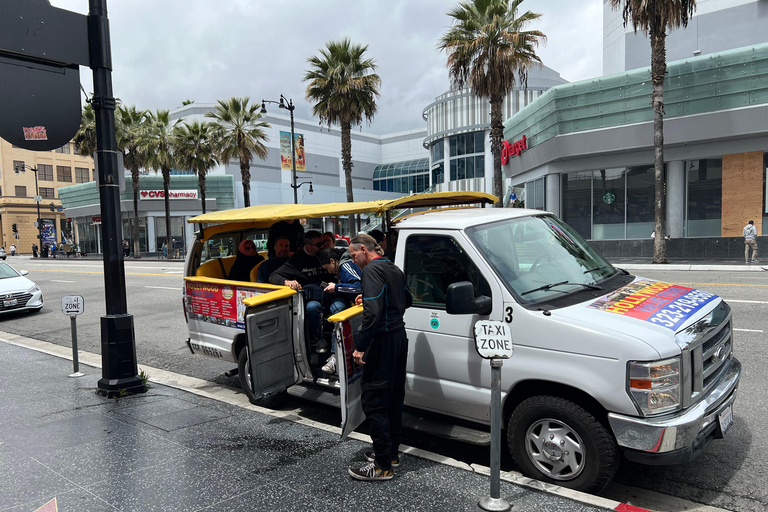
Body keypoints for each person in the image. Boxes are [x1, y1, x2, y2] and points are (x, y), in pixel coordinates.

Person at [347, 233, 412, 482]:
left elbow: (372, 314)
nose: (354, 262)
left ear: (363, 249)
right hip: (399, 338)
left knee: (375, 402)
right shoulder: (393, 267)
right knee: (394, 398)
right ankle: (391, 453)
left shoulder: (371, 270)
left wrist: (360, 347)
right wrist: (378, 300)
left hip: (382, 342)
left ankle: (382, 465)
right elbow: (407, 300)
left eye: (354, 256)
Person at [269, 230, 333, 348]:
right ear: (308, 247)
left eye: (323, 243)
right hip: (312, 299)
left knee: (340, 307)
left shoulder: (325, 254)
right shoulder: (297, 260)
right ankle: (321, 338)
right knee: (313, 308)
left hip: (331, 293)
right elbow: (273, 276)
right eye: (319, 245)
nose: (323, 246)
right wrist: (287, 282)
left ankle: (337, 347)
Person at [316, 247, 363, 374]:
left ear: (332, 261)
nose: (329, 272)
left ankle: (335, 357)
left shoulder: (345, 265)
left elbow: (358, 288)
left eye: (327, 268)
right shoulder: (346, 266)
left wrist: (337, 287)